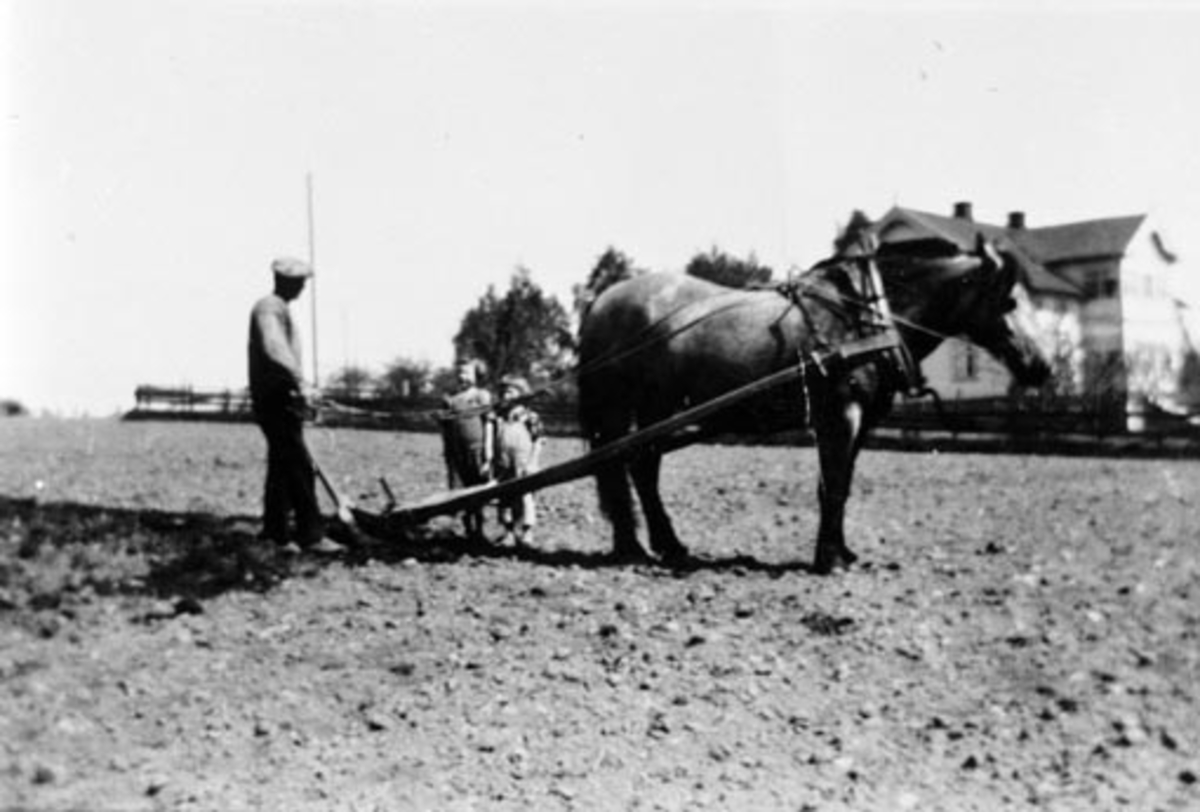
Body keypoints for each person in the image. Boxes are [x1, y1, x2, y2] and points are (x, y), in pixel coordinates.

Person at [247, 256, 342, 554]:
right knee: (299, 465)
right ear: (286, 282)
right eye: (300, 283)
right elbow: (274, 346)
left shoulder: (278, 308)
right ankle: (311, 535)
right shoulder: (269, 307)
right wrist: (301, 381)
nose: (302, 288)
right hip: (275, 401)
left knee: (282, 465)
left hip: (280, 400)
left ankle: (275, 533)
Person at [440, 359, 494, 540]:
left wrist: (488, 453)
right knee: (458, 490)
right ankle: (466, 527)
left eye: (467, 373)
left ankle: (479, 528)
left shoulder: (481, 396)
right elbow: (446, 428)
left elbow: (489, 424)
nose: (462, 377)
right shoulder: (450, 399)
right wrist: (448, 452)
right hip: (457, 453)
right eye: (459, 373)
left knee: (477, 489)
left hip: (476, 450)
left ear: (477, 375)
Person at [493, 375, 543, 547]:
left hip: (523, 463)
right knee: (504, 497)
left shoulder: (529, 417)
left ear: (521, 394)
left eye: (510, 392)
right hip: (503, 463)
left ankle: (527, 531)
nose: (505, 396)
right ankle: (508, 531)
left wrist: (532, 463)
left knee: (525, 496)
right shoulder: (500, 417)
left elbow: (538, 441)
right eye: (503, 392)